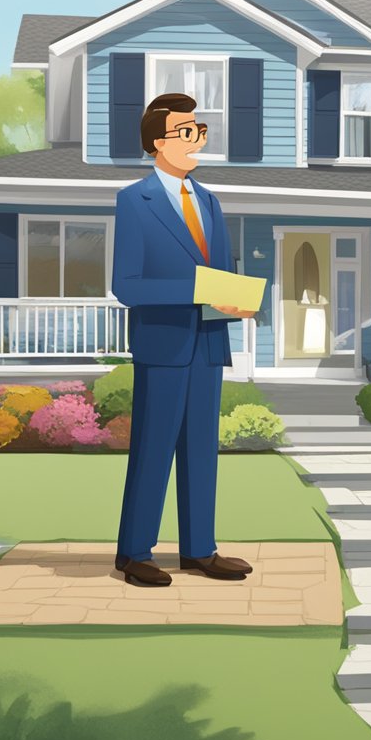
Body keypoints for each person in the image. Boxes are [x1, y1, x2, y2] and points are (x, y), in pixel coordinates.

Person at [111, 93, 255, 587]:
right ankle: (134, 553)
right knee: (152, 450)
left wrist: (233, 299)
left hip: (208, 344)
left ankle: (199, 550)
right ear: (156, 142)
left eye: (200, 131)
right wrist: (197, 290)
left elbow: (220, 274)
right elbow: (127, 287)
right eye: (186, 132)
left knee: (201, 451)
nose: (197, 141)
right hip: (163, 346)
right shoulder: (135, 201)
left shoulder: (211, 201)